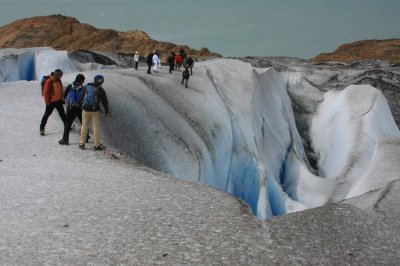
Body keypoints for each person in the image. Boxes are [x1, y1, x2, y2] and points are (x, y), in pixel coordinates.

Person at [79, 75, 109, 150]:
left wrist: (82, 106)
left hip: (85, 109)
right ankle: (97, 145)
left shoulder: (86, 87)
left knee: (84, 126)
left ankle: (81, 143)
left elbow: (82, 98)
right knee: (96, 127)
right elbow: (105, 101)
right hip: (95, 111)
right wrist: (106, 111)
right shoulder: (101, 89)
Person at [58, 74, 89, 145]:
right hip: (80, 108)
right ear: (81, 80)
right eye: (83, 80)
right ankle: (86, 137)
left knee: (67, 123)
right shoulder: (83, 88)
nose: (83, 81)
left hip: (71, 108)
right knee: (83, 123)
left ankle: (65, 140)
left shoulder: (70, 86)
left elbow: (64, 96)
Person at [39, 69, 66, 136]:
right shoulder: (49, 81)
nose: (61, 77)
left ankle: (67, 126)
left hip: (58, 101)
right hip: (51, 102)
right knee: (47, 114)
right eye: (60, 75)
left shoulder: (59, 80)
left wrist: (62, 99)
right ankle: (42, 128)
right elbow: (45, 92)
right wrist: (47, 102)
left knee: (62, 114)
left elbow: (61, 90)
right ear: (57, 74)